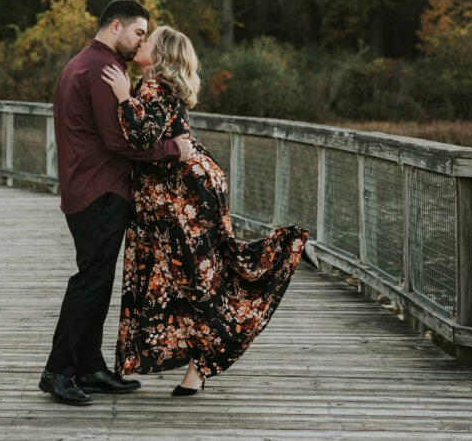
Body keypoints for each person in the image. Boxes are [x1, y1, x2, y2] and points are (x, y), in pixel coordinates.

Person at [101, 25, 317, 396]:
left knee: (195, 284)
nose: (141, 42)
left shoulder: (155, 87)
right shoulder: (156, 87)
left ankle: (287, 247)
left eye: (148, 41)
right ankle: (195, 368)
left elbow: (141, 138)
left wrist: (122, 96)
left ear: (162, 55)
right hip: (184, 194)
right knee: (195, 274)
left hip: (182, 199)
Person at [39, 0, 193, 406]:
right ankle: (58, 370)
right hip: (99, 191)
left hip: (88, 188)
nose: (142, 39)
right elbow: (122, 141)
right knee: (90, 282)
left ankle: (89, 366)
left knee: (98, 280)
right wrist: (172, 150)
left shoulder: (84, 63)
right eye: (139, 32)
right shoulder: (103, 71)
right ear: (116, 27)